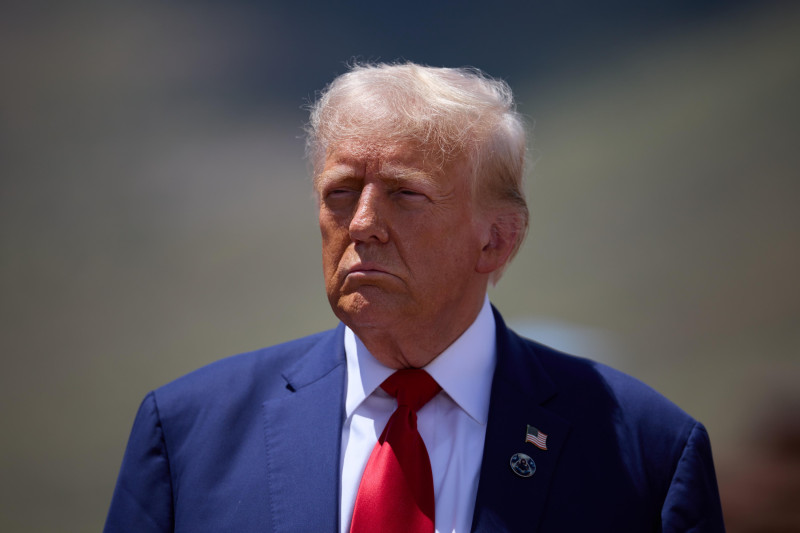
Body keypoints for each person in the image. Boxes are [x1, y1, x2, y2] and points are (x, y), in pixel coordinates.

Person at [104, 62, 726, 532]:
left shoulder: (646, 453)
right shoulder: (188, 433)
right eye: (341, 192)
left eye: (405, 194)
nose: (363, 223)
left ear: (497, 241)